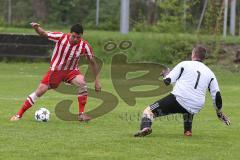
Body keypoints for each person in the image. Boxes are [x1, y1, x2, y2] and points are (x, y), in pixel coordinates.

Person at [10, 22, 101, 122]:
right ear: (70, 33)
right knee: (39, 91)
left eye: (78, 37)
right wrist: (37, 28)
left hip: (71, 71)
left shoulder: (84, 46)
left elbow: (93, 63)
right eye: (73, 36)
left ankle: (81, 114)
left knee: (82, 83)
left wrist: (97, 81)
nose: (75, 39)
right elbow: (43, 34)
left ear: (81, 36)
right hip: (56, 71)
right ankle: (18, 115)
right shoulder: (61, 37)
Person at [134, 45, 230, 137]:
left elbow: (167, 81)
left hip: (179, 99)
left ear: (193, 55)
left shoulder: (184, 64)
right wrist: (219, 113)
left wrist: (166, 74)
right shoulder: (210, 73)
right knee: (189, 105)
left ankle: (145, 127)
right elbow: (217, 95)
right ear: (204, 58)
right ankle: (188, 131)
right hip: (196, 105)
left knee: (148, 111)